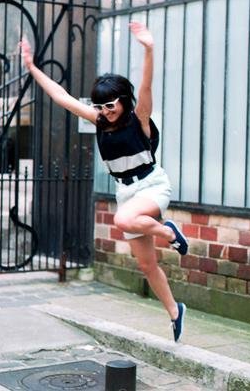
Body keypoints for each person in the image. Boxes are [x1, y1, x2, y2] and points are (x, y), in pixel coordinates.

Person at [19, 21, 189, 340]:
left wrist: (149, 49)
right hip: (127, 192)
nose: (105, 111)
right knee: (147, 265)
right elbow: (62, 97)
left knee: (122, 220)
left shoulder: (139, 120)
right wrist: (31, 67)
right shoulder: (98, 120)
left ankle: (169, 232)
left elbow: (147, 87)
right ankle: (175, 311)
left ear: (124, 101)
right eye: (100, 106)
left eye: (111, 105)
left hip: (152, 185)